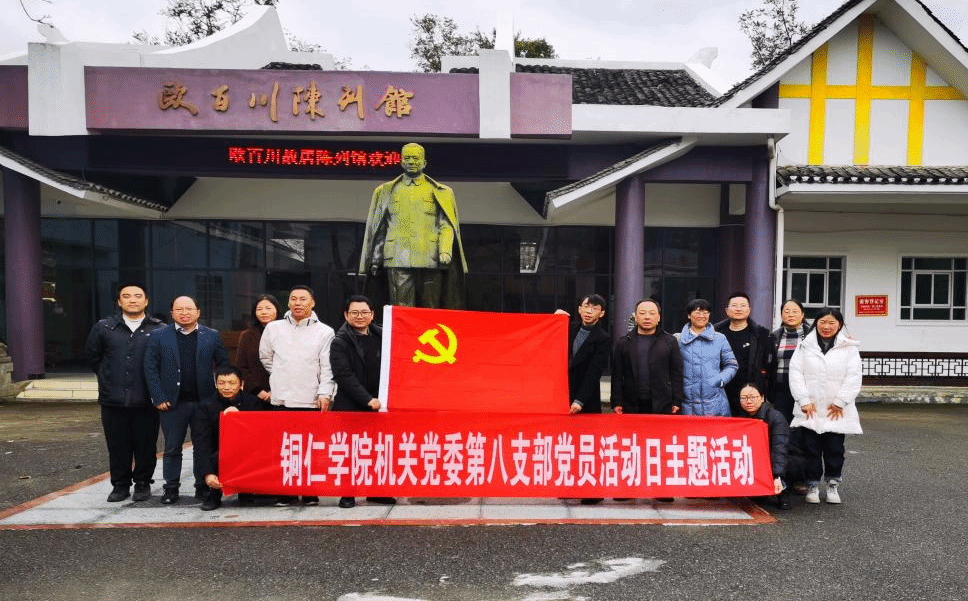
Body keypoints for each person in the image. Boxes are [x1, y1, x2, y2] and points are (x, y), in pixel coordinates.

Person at [143, 295, 230, 505]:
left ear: (198, 312)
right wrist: (158, 396)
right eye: (179, 309)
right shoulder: (159, 336)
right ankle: (171, 488)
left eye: (189, 309)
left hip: (204, 403)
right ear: (172, 313)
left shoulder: (211, 335)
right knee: (172, 447)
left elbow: (224, 365)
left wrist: (221, 395)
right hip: (173, 403)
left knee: (204, 447)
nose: (184, 313)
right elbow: (150, 368)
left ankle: (203, 486)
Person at [359, 142, 468, 308]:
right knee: (401, 307)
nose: (411, 162)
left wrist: (445, 250)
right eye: (407, 158)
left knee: (430, 308)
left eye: (416, 158)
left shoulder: (440, 191)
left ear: (424, 163)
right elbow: (379, 228)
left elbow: (446, 224)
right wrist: (375, 259)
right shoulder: (385, 191)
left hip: (430, 257)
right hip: (397, 257)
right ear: (401, 162)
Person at [84, 283, 166, 503]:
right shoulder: (104, 328)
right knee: (117, 445)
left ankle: (142, 484)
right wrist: (108, 377)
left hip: (146, 399)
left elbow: (165, 361)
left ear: (146, 301)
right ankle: (120, 485)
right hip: (113, 399)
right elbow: (93, 357)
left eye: (138, 296)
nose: (132, 300)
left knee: (145, 445)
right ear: (119, 302)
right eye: (127, 296)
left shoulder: (159, 329)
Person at [259, 285, 336, 506]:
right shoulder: (273, 328)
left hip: (310, 399)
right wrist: (282, 374)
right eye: (293, 299)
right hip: (282, 399)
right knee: (284, 448)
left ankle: (309, 491)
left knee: (310, 448)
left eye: (303, 299)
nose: (297, 303)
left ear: (313, 303)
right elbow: (266, 358)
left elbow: (327, 366)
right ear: (288, 302)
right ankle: (287, 493)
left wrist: (325, 393)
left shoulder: (325, 331)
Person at [789, 307, 862, 505]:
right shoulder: (805, 345)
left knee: (834, 449)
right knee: (811, 449)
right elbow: (795, 374)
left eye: (831, 323)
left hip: (835, 410)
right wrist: (803, 400)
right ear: (816, 324)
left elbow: (854, 376)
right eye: (822, 322)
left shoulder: (849, 347)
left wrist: (840, 402)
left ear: (839, 325)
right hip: (810, 409)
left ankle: (832, 485)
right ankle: (812, 485)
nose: (826, 327)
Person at [330, 295, 395, 509]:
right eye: (355, 313)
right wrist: (367, 400)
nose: (360, 316)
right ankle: (347, 493)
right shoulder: (340, 341)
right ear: (346, 315)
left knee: (378, 449)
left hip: (380, 405)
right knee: (350, 451)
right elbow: (343, 375)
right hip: (352, 405)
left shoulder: (384, 336)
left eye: (364, 312)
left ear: (372, 314)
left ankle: (377, 491)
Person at [194, 366, 265, 511]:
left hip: (246, 450)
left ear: (241, 384)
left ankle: (246, 490)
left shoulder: (253, 403)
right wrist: (207, 473)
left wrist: (240, 419)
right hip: (219, 453)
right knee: (211, 453)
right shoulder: (205, 406)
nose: (227, 387)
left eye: (232, 383)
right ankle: (214, 494)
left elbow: (261, 435)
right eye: (221, 383)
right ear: (216, 384)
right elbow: (202, 442)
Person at [612, 298, 685, 416]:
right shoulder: (624, 342)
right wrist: (616, 401)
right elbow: (617, 375)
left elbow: (676, 373)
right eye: (642, 313)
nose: (647, 317)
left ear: (659, 317)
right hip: (631, 403)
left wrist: (677, 400)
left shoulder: (670, 341)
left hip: (662, 403)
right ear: (636, 317)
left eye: (652, 313)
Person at [714, 292, 772, 417]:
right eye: (734, 305)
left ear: (749, 310)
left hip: (749, 393)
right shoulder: (716, 334)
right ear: (726, 310)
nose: (738, 309)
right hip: (721, 391)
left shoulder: (761, 334)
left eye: (743, 305)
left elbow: (767, 365)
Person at [678, 298, 738, 417]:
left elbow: (732, 364)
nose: (702, 316)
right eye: (698, 312)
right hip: (686, 403)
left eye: (706, 312)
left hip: (715, 401)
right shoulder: (678, 340)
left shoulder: (720, 338)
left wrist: (720, 380)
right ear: (689, 315)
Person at [737, 382, 791, 510]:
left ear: (762, 398)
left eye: (752, 397)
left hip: (778, 457)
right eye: (744, 398)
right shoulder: (740, 417)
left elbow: (780, 449)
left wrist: (777, 475)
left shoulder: (776, 417)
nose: (748, 401)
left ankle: (783, 491)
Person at [565, 294, 610, 415]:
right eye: (586, 306)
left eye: (594, 308)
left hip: (585, 398)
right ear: (580, 309)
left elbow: (594, 372)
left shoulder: (603, 338)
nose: (589, 311)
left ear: (601, 313)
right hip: (564, 392)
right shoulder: (569, 328)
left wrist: (580, 400)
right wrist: (556, 318)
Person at [768, 298, 810, 423]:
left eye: (795, 311)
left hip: (807, 389)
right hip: (781, 388)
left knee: (804, 424)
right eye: (786, 311)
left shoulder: (812, 335)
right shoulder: (774, 336)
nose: (790, 315)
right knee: (782, 423)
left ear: (802, 315)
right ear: (781, 315)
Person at [236, 294, 282, 408]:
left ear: (277, 310)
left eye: (268, 308)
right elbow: (241, 367)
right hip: (254, 396)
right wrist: (258, 390)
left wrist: (275, 390)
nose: (264, 312)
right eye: (259, 309)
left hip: (284, 394)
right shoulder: (247, 336)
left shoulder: (287, 333)